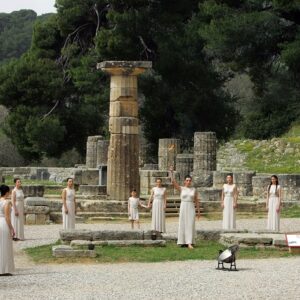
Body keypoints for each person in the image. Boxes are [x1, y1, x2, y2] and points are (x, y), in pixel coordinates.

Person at [171, 173, 200, 249]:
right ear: (184, 181)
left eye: (190, 180)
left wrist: (198, 211)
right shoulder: (181, 188)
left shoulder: (194, 190)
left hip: (191, 206)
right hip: (183, 206)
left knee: (190, 224)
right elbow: (173, 182)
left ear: (191, 181)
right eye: (187, 180)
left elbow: (197, 201)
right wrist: (171, 172)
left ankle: (189, 242)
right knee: (183, 223)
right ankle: (183, 241)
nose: (188, 182)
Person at [0, 185, 15, 275]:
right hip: (3, 224)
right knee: (5, 246)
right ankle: (4, 269)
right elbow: (7, 217)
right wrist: (11, 228)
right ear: (7, 192)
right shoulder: (7, 202)